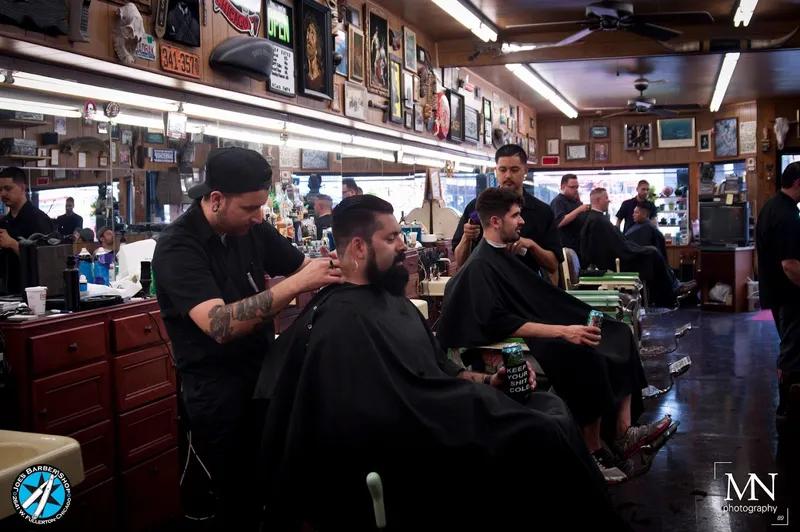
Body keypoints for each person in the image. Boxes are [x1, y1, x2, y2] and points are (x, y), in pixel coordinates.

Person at [254, 194, 632, 530]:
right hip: (414, 439)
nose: (403, 246)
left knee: (551, 406)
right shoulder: (336, 322)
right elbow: (362, 420)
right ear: (358, 247)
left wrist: (487, 383)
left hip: (437, 408)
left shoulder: (393, 301)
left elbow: (437, 367)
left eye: (400, 235)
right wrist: (457, 402)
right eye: (391, 239)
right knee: (540, 431)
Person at [152, 147, 342, 530]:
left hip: (263, 375)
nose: (259, 217)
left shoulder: (251, 228)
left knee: (274, 484)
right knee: (236, 498)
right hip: (216, 391)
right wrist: (296, 285)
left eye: (261, 206)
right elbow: (219, 325)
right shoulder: (178, 246)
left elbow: (307, 268)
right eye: (250, 208)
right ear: (217, 199)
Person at [438, 187, 670, 484]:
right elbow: (499, 322)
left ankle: (624, 431)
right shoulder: (480, 265)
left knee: (617, 331)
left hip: (537, 326)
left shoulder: (502, 256)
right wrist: (564, 331)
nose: (521, 221)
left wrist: (573, 322)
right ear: (495, 222)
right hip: (518, 341)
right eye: (515, 215)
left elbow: (540, 296)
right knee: (585, 352)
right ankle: (593, 449)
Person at [452, 144, 562, 279]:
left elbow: (553, 265)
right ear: (495, 170)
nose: (508, 176)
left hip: (526, 291)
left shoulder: (542, 212)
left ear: (525, 170)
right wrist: (466, 238)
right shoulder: (478, 207)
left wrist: (532, 246)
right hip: (487, 286)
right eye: (503, 170)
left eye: (514, 170)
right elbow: (460, 262)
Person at [581, 188, 695, 307]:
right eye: (606, 198)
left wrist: (632, 247)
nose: (609, 201)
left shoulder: (596, 218)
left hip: (618, 256)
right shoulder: (598, 220)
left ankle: (673, 287)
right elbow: (614, 246)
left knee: (651, 252)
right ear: (598, 200)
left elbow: (617, 242)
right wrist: (632, 249)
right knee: (653, 252)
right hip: (617, 261)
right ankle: (671, 291)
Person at [756, 161, 800, 425]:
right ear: (798, 183)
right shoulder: (788, 216)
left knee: (791, 345)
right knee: (792, 349)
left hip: (774, 290)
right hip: (789, 294)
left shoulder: (771, 206)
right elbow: (790, 265)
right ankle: (787, 408)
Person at [0, 167, 55, 295]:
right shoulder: (4, 222)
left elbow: (46, 260)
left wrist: (13, 244)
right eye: (0, 190)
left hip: (33, 293)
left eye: (8, 189)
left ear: (22, 188)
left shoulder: (38, 219)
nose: (3, 194)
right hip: (7, 292)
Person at [550, 173, 590, 251]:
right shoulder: (558, 201)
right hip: (566, 247)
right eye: (572, 187)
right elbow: (559, 222)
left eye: (577, 187)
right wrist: (579, 210)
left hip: (579, 245)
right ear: (563, 187)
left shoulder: (576, 202)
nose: (575, 190)